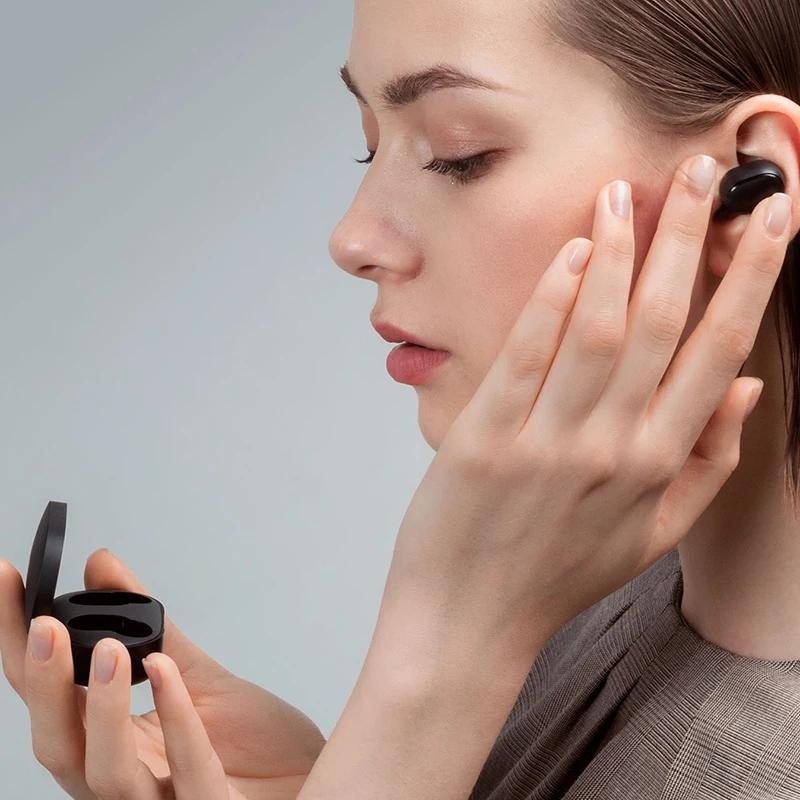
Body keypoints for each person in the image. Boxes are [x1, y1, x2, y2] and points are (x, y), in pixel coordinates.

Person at [2, 0, 800, 797]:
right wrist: (335, 779)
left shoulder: (511, 605)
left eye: (459, 154)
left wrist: (451, 639)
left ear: (751, 185)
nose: (351, 238)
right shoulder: (586, 597)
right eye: (370, 146)